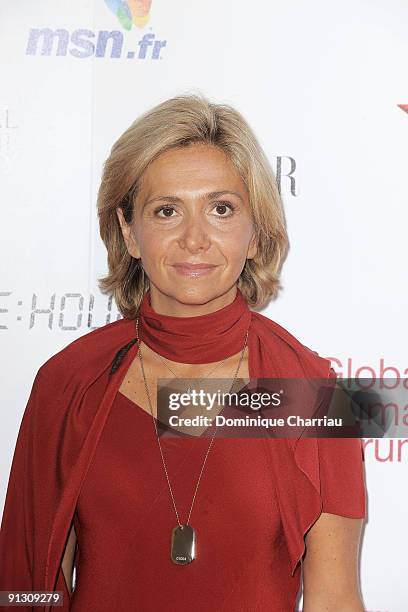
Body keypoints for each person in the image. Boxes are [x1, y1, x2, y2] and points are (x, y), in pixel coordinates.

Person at [0, 94, 367, 611]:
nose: (195, 239)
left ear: (255, 231)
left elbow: (335, 599)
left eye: (221, 209)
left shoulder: (315, 392)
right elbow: (26, 589)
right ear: (129, 231)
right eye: (167, 210)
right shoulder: (70, 381)